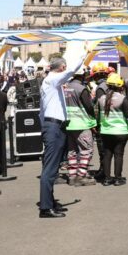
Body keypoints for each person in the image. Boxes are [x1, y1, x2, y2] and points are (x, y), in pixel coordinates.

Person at [38, 56, 80, 218]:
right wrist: (84, 54)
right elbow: (72, 71)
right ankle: (46, 207)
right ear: (62, 67)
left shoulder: (51, 82)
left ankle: (49, 202)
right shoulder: (52, 80)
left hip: (54, 126)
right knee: (50, 169)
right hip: (54, 127)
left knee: (53, 167)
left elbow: (41, 111)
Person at [96, 73, 128, 186]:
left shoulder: (101, 99)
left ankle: (107, 179)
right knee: (118, 155)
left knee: (107, 154)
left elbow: (97, 115)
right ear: (120, 86)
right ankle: (118, 178)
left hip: (105, 131)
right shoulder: (122, 98)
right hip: (120, 131)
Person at [64, 67, 97, 186]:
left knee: (72, 151)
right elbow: (89, 107)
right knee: (86, 150)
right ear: (82, 75)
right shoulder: (82, 89)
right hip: (82, 124)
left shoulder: (65, 87)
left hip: (68, 124)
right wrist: (94, 119)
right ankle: (81, 176)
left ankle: (72, 176)